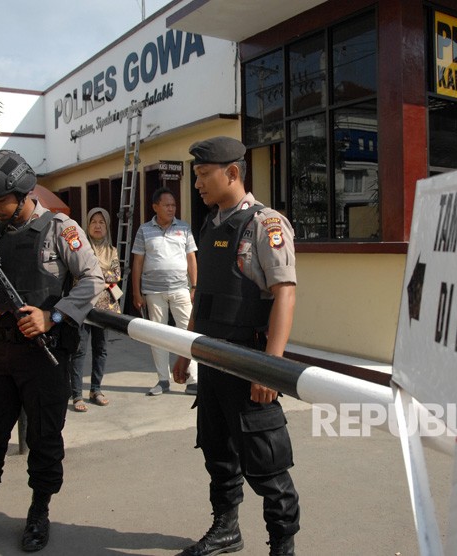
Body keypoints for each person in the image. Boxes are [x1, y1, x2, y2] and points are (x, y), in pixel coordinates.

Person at [0, 150, 103, 552]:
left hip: (45, 357)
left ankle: (39, 511)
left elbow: (93, 279)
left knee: (45, 439)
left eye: (0, 201)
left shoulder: (60, 229)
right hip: (0, 354)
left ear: (24, 192)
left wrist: (53, 316)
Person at [172, 137, 300, 556]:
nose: (198, 185)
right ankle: (226, 529)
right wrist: (184, 348)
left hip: (248, 363)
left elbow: (285, 293)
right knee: (217, 451)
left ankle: (282, 545)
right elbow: (203, 294)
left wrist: (270, 368)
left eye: (204, 175)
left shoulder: (267, 224)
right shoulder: (211, 224)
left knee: (266, 462)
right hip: (211, 359)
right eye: (195, 177)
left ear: (232, 173)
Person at [131, 186, 199, 396]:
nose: (171, 209)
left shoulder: (184, 228)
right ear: (155, 207)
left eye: (174, 205)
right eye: (167, 205)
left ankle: (193, 380)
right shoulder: (144, 230)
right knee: (157, 335)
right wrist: (136, 292)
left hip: (181, 289)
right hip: (153, 291)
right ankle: (162, 380)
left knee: (188, 335)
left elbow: (191, 259)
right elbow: (138, 262)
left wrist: (195, 286)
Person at [69, 207, 121, 411]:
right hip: (83, 306)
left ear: (107, 227)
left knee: (101, 350)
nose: (98, 226)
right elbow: (77, 274)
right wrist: (102, 274)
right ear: (87, 225)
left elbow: (115, 275)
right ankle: (76, 395)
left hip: (105, 308)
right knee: (79, 350)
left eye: (102, 222)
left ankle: (96, 390)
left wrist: (95, 273)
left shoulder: (112, 250)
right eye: (93, 222)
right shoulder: (81, 249)